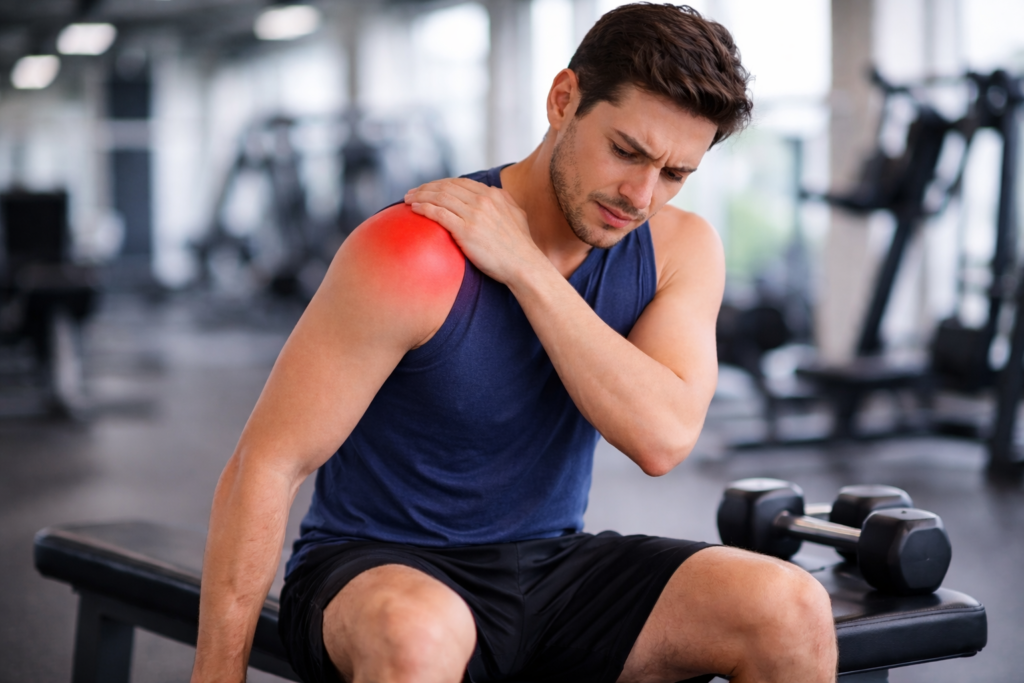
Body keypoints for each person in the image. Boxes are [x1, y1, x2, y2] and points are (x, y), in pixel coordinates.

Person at [191, 4, 838, 683]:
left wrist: (525, 267)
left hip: (551, 567)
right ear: (564, 100)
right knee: (422, 634)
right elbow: (267, 464)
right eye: (627, 151)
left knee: (789, 608)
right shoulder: (413, 251)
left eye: (676, 173)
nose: (642, 195)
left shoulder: (681, 248)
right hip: (380, 571)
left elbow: (662, 437)